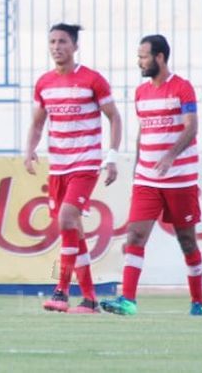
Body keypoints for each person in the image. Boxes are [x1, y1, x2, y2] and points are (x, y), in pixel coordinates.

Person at [101, 35, 202, 316]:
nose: (139, 62)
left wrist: (170, 156)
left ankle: (197, 301)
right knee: (135, 236)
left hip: (180, 178)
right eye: (139, 56)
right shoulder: (141, 93)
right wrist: (137, 170)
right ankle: (128, 301)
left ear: (159, 57)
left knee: (187, 241)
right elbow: (142, 133)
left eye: (143, 57)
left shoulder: (182, 88)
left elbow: (191, 127)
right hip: (147, 179)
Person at [25, 23, 122, 314]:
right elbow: (38, 123)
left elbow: (114, 117)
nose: (56, 47)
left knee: (66, 218)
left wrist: (112, 156)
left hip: (85, 164)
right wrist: (29, 150)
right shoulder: (44, 83)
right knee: (73, 229)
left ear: (75, 46)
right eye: (52, 41)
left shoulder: (92, 80)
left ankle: (62, 291)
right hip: (58, 167)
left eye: (63, 41)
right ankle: (90, 299)